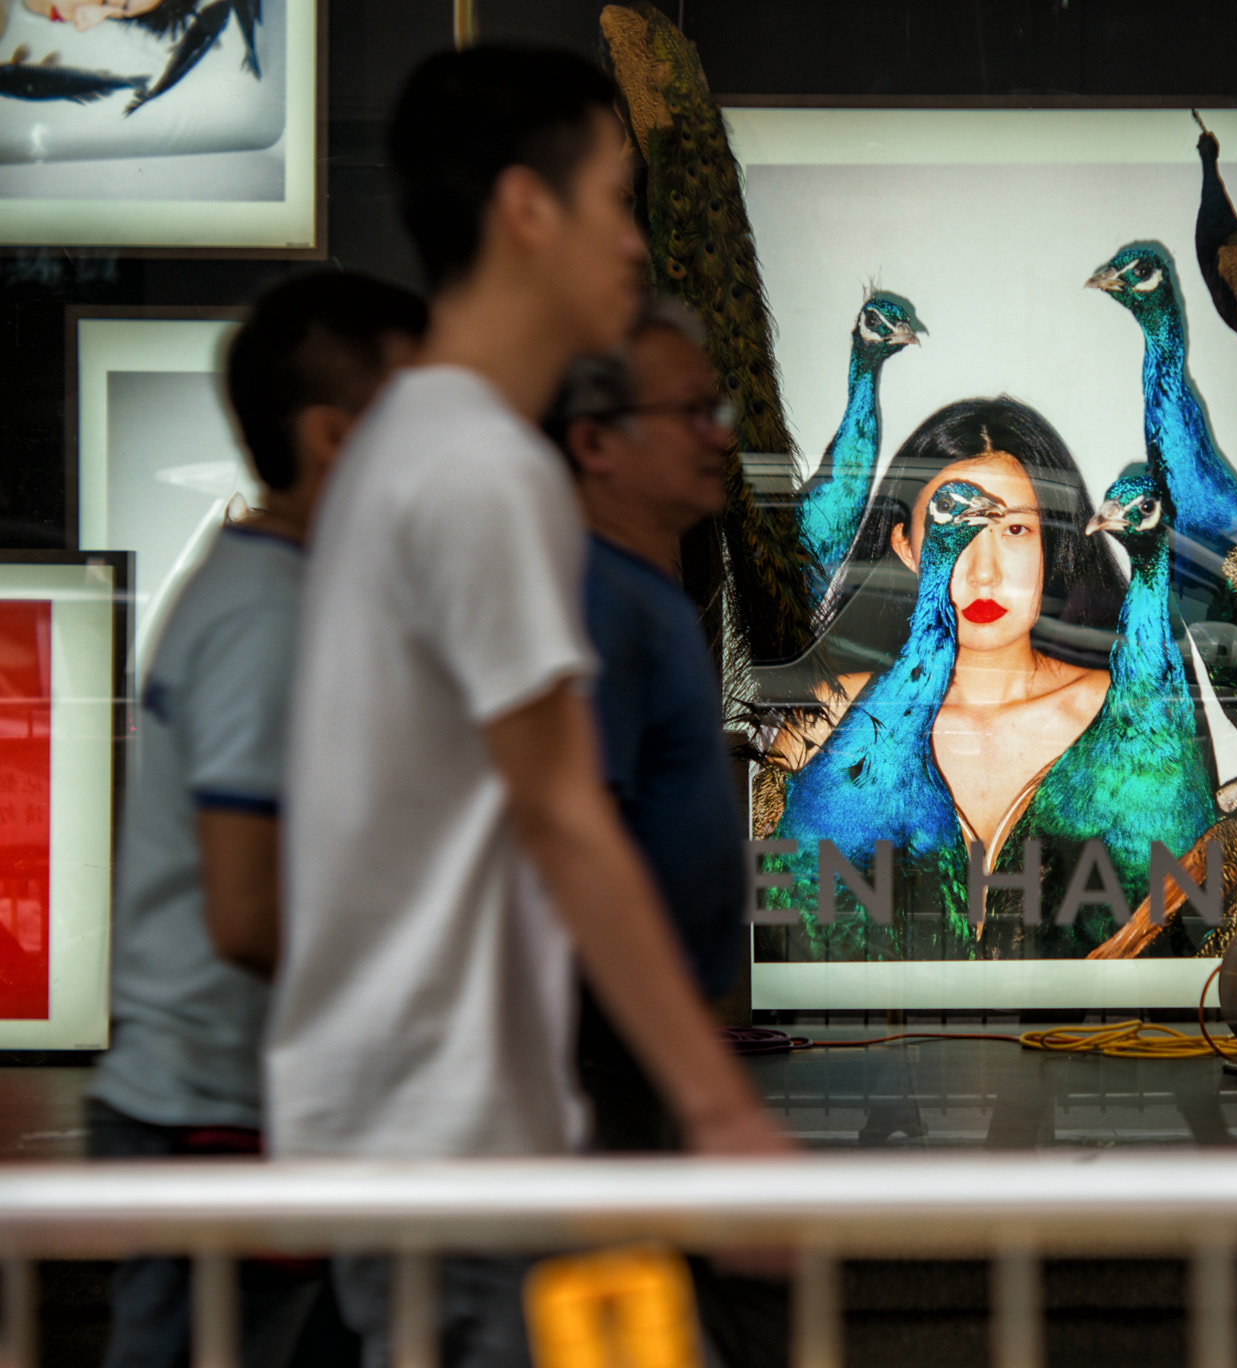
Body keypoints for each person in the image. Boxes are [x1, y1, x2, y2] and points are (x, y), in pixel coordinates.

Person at [264, 45, 789, 1368]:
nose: (634, 241)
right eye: (615, 199)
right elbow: (561, 811)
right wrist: (721, 1112)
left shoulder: (411, 449)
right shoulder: (480, 471)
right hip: (462, 1151)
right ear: (526, 211)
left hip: (434, 1136)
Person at [87, 269, 426, 1368]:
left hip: (252, 1109)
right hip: (221, 1119)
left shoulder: (260, 592)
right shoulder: (272, 623)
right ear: (334, 439)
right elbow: (245, 910)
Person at [765, 396, 1131, 957]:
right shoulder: (826, 719)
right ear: (907, 547)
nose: (984, 571)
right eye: (953, 529)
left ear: (1050, 545)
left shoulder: (1129, 717)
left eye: (1014, 530)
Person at [539, 298, 746, 1151]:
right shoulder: (592, 602)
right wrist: (712, 1099)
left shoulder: (637, 589)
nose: (720, 437)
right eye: (690, 414)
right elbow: (574, 844)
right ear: (594, 443)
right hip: (597, 1067)